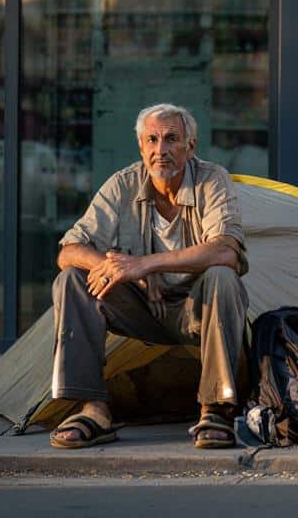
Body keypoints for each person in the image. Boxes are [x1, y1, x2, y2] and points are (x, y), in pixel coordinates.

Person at [48, 103, 250, 450]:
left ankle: (215, 408)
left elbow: (226, 251)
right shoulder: (123, 184)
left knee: (222, 276)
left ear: (190, 146)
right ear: (141, 147)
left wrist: (146, 264)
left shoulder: (212, 179)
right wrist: (123, 271)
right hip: (142, 309)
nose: (161, 150)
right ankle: (92, 408)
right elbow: (68, 250)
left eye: (172, 139)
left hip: (196, 308)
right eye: (152, 140)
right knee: (72, 279)